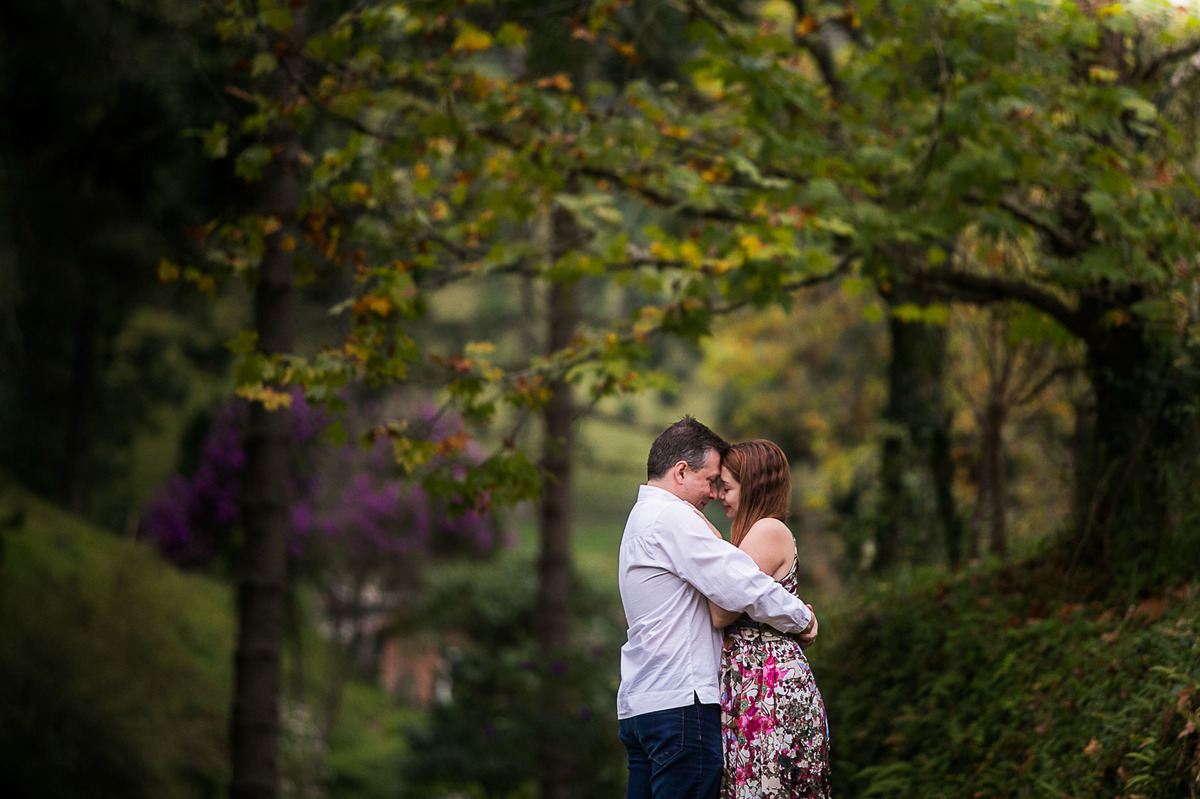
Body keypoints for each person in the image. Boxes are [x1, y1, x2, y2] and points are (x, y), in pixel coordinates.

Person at [617, 417, 819, 799]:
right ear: (680, 472)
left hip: (641, 705)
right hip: (678, 704)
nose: (713, 494)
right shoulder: (673, 518)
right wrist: (802, 617)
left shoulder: (640, 519)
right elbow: (739, 585)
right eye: (711, 481)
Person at [708, 439, 831, 799]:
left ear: (754, 487)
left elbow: (720, 610)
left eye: (727, 487)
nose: (720, 496)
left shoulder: (767, 530)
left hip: (769, 689)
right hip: (753, 685)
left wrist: (706, 541)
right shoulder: (752, 535)